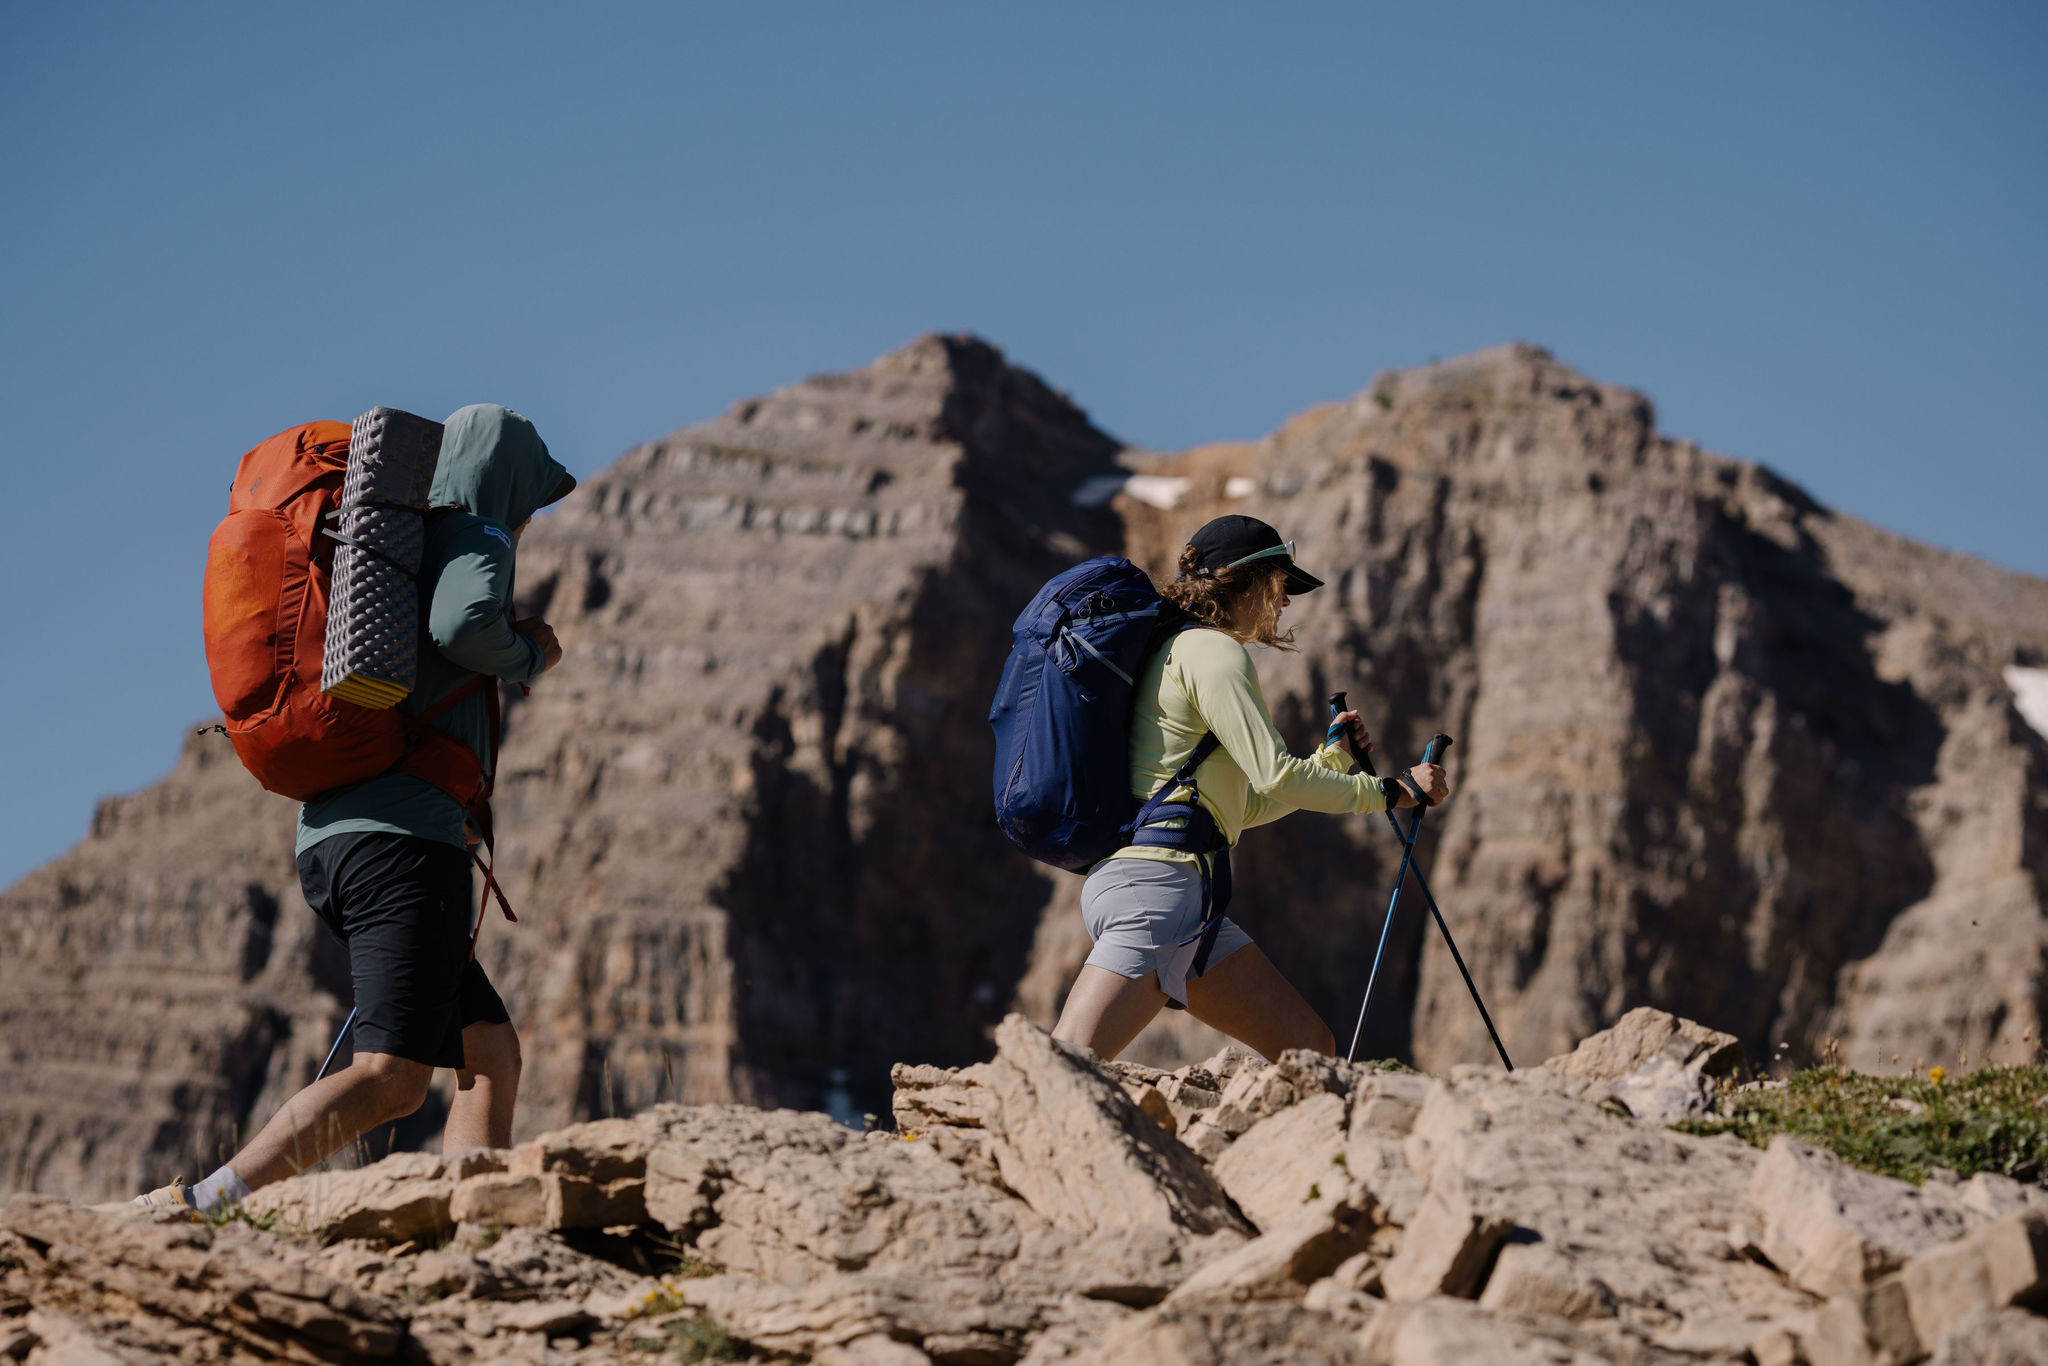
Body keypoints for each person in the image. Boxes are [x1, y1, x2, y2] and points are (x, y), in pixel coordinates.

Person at [136, 404, 573, 1215]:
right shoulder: (475, 532)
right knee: (392, 1077)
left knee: (489, 1052)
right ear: (505, 473)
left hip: (344, 836)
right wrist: (531, 652)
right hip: (403, 843)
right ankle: (202, 1208)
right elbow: (467, 625)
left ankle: (473, 1225)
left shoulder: (398, 547)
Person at [1050, 514, 1449, 1062]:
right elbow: (1277, 773)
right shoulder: (1212, 652)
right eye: (1282, 586)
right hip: (1157, 894)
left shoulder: (1174, 650)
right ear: (1248, 581)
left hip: (1181, 895)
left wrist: (1332, 760)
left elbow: (1242, 806)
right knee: (1062, 1070)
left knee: (1309, 1048)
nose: (1285, 603)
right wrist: (1393, 792)